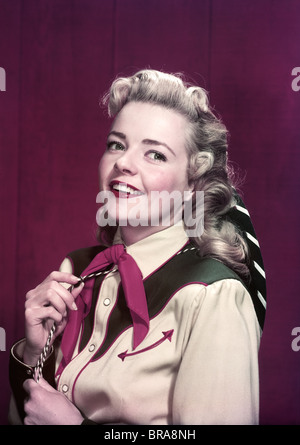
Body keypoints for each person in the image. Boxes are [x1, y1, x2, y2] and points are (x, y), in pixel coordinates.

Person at [9, 69, 266, 425]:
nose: (124, 163)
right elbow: (29, 416)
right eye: (117, 144)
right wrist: (32, 352)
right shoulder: (76, 270)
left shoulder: (213, 295)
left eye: (155, 155)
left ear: (192, 183)